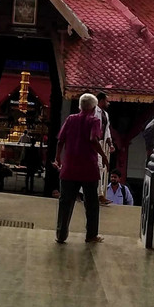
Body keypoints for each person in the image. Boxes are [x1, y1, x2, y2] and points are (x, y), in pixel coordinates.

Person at [52, 93, 108, 244]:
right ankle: (91, 235)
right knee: (91, 204)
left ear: (80, 106)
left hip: (69, 166)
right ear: (94, 107)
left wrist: (58, 157)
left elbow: (60, 140)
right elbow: (93, 139)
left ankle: (61, 235)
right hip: (88, 168)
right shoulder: (94, 120)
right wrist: (104, 156)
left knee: (65, 202)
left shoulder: (70, 119)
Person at [95, 92, 113, 202]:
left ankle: (98, 193)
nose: (108, 103)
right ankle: (99, 194)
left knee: (99, 167)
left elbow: (107, 130)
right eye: (106, 100)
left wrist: (110, 143)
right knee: (98, 166)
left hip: (101, 143)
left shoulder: (105, 114)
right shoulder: (93, 111)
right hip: (93, 142)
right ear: (101, 101)